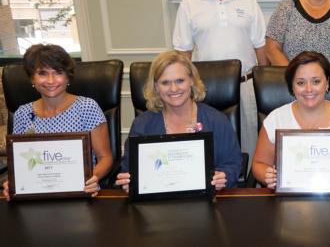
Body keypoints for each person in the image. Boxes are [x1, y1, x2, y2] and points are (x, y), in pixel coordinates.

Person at [172, 0, 267, 162]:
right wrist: (186, 91)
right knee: (208, 146)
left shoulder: (247, 0)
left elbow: (261, 47)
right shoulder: (189, 4)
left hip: (246, 86)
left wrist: (263, 86)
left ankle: (249, 191)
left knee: (250, 144)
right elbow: (183, 54)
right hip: (204, 89)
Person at [115, 51, 243, 192]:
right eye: (165, 83)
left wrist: (224, 177)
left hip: (208, 201)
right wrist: (129, 182)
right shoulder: (142, 124)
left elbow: (233, 164)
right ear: (156, 86)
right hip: (158, 205)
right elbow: (128, 169)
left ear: (191, 80)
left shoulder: (217, 120)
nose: (174, 89)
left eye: (180, 81)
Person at [2, 44, 112, 199]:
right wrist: (13, 182)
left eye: (58, 73)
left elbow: (105, 158)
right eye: (42, 73)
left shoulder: (87, 107)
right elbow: (19, 163)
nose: (51, 80)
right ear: (32, 78)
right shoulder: (22, 113)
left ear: (68, 77)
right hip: (36, 194)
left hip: (80, 191)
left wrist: (91, 179)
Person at [252, 51, 330, 189]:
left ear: (327, 83)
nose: (309, 89)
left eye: (316, 81)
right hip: (288, 200)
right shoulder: (276, 120)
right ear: (292, 86)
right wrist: (268, 176)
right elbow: (259, 164)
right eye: (300, 82)